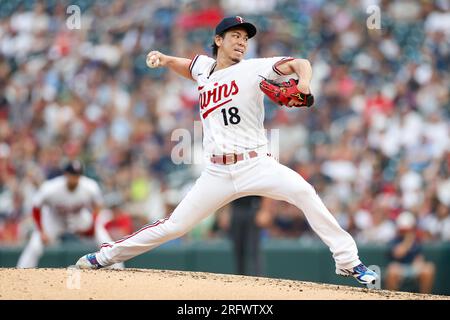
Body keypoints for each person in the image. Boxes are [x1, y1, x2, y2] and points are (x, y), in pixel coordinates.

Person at [76, 16, 378, 285]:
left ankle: (348, 261)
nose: (242, 42)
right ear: (218, 40)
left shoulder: (255, 68)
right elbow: (190, 68)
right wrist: (166, 59)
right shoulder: (204, 68)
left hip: (256, 164)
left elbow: (302, 63)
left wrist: (306, 83)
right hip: (217, 172)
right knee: (174, 226)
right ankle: (105, 256)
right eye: (235, 36)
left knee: (305, 192)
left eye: (245, 39)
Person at [17, 160, 123, 269]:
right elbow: (36, 208)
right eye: (72, 175)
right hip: (54, 219)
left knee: (102, 237)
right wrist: (41, 230)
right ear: (65, 174)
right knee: (35, 245)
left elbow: (98, 206)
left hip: (79, 217)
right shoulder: (51, 188)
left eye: (77, 175)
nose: (75, 178)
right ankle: (21, 271)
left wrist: (93, 226)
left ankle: (119, 270)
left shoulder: (90, 186)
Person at [384, 211, 435, 293]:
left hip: (413, 267)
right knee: (392, 270)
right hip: (399, 267)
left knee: (429, 268)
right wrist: (408, 239)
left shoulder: (417, 241)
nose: (405, 232)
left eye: (407, 230)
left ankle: (424, 297)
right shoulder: (394, 240)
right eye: (403, 230)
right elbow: (398, 253)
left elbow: (419, 256)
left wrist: (419, 263)